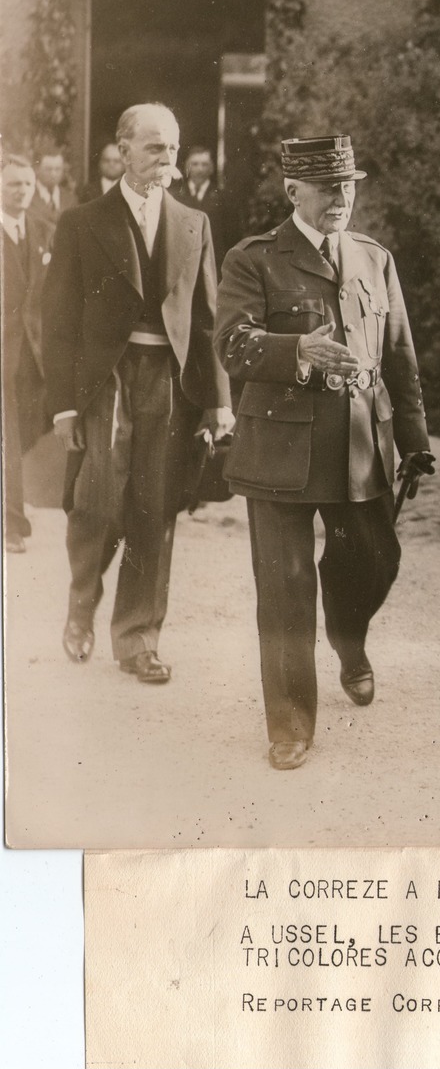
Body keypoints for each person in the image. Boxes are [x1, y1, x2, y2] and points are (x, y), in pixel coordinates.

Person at [215, 134, 436, 771]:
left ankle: (349, 638)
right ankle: (289, 724)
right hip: (280, 448)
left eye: (348, 185)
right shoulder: (253, 259)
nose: (341, 198)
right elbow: (232, 345)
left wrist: (415, 441)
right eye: (327, 188)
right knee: (284, 590)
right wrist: (297, 352)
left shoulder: (374, 258)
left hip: (359, 444)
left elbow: (400, 355)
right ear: (293, 192)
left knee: (373, 559)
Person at [42, 103, 233, 683]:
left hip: (170, 382)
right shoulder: (81, 222)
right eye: (154, 147)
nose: (166, 159)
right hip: (108, 380)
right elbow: (58, 321)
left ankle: (138, 640)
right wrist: (64, 404)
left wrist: (219, 398)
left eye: (172, 148)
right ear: (123, 151)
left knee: (156, 506)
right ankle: (82, 601)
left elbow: (207, 320)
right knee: (98, 499)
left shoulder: (194, 223)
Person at [2, 154, 55, 552]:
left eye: (26, 184)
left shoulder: (42, 231)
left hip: (33, 354)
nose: (21, 192)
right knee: (8, 435)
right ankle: (13, 524)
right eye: (12, 185)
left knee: (27, 431)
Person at [171, 146, 228, 267]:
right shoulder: (175, 197)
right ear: (188, 167)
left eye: (204, 164)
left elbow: (230, 233)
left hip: (213, 260)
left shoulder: (223, 198)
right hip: (183, 261)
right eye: (195, 164)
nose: (200, 169)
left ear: (211, 168)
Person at [29, 149, 78, 226]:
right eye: (48, 169)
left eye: (58, 169)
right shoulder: (27, 196)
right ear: (36, 169)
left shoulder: (70, 199)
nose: (53, 174)